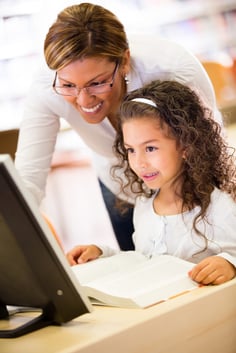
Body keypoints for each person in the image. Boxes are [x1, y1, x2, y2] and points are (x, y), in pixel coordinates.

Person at [15, 3, 222, 251]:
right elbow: (28, 179)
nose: (84, 100)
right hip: (122, 187)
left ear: (124, 61)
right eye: (69, 85)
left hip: (191, 187)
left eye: (97, 83)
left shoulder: (174, 70)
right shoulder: (45, 89)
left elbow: (209, 148)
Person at [66, 80, 236, 286]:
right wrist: (102, 253)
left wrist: (229, 264)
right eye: (131, 150)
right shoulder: (144, 205)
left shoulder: (223, 206)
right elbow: (144, 261)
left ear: (186, 145)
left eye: (150, 148)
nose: (139, 162)